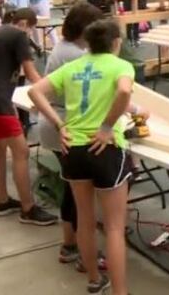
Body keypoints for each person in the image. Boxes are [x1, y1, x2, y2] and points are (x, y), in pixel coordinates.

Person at [29, 19, 142, 295]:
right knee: (114, 227)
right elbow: (125, 91)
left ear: (88, 43)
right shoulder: (120, 66)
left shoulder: (72, 67)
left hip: (74, 148)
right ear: (116, 42)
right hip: (105, 148)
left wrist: (59, 124)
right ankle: (120, 291)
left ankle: (94, 279)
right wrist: (106, 127)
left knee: (86, 218)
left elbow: (35, 91)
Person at [0, 7, 57, 225]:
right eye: (32, 30)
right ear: (26, 23)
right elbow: (31, 72)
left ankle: (2, 201)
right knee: (21, 151)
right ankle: (28, 208)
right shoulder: (18, 35)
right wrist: (51, 93)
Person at [36, 3, 106, 271]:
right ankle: (85, 253)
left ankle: (69, 245)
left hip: (58, 123)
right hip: (66, 126)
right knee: (82, 195)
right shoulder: (76, 55)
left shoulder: (66, 47)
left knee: (70, 187)